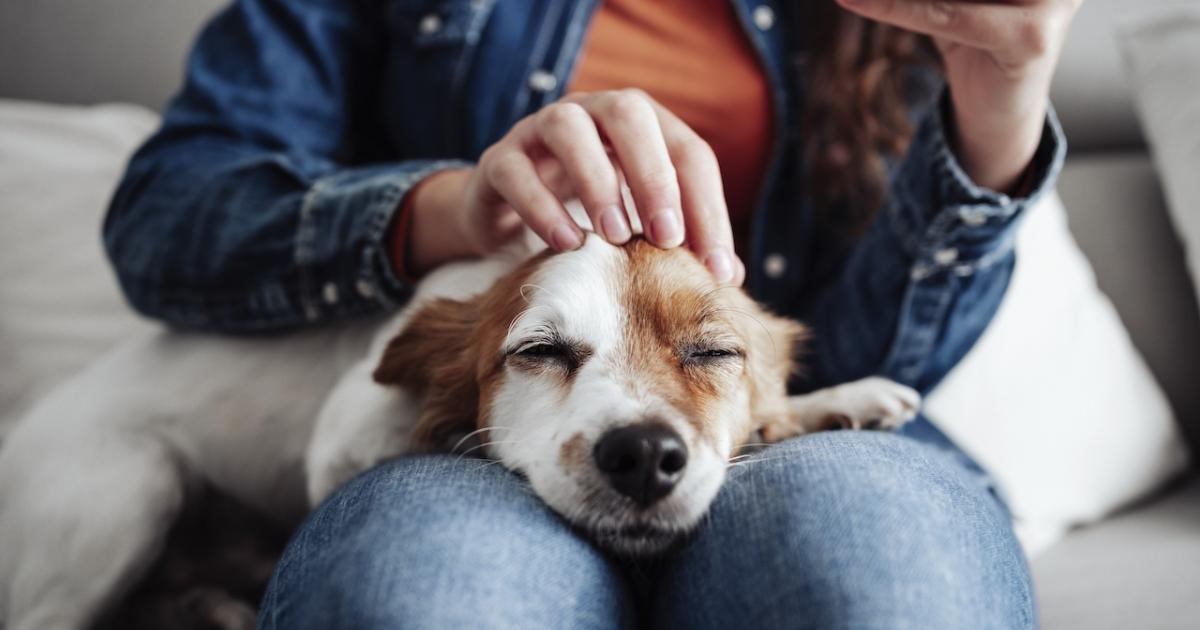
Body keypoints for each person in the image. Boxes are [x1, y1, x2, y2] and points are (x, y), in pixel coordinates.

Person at [104, 0, 1076, 627]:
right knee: (427, 601)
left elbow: (852, 360)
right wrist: (452, 206)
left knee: (886, 585)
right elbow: (163, 216)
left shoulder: (888, 16)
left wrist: (1001, 108)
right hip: (477, 463)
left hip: (770, 442)